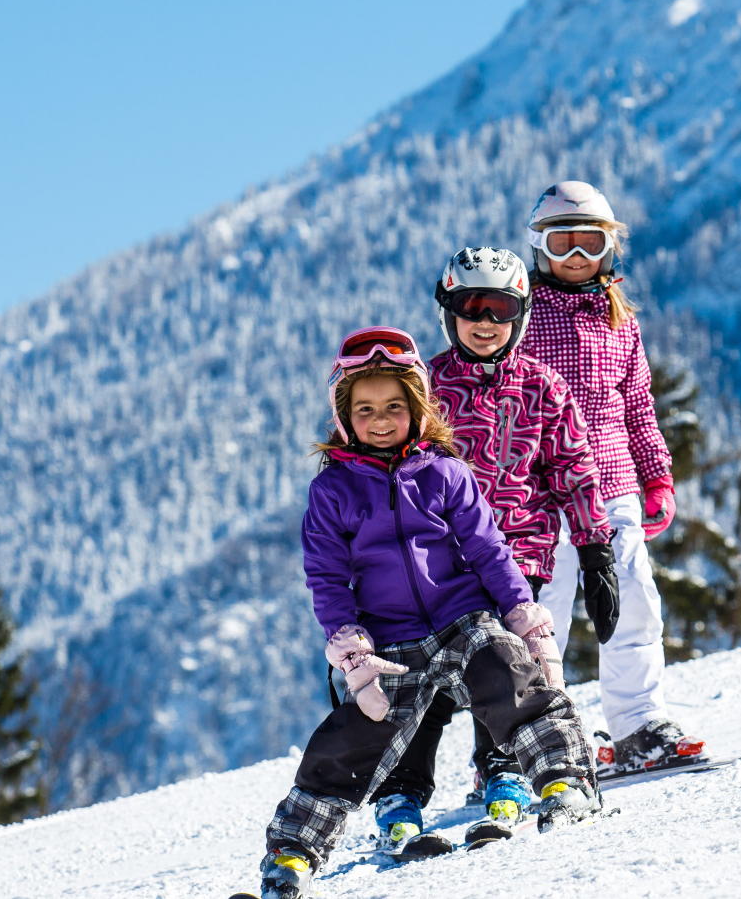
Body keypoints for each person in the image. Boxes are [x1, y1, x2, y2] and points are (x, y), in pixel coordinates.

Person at [255, 326, 599, 899]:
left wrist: (523, 615)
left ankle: (563, 781)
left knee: (506, 671)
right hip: (387, 639)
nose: (382, 419)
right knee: (357, 730)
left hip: (462, 614)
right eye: (365, 409)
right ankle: (294, 852)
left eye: (395, 406)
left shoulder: (445, 473)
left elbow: (489, 549)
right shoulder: (333, 491)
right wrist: (354, 655)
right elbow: (327, 577)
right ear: (344, 417)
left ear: (418, 408)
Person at [366, 248, 623, 842]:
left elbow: (574, 471)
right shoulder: (423, 390)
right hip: (433, 566)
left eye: (501, 309)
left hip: (517, 557)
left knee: (506, 663)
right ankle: (400, 793)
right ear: (447, 311)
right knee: (419, 678)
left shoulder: (542, 388)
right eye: (470, 308)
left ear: (522, 314)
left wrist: (595, 550)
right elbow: (380, 468)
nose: (485, 322)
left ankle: (503, 772)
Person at [521, 182, 702, 771]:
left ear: (610, 247)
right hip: (538, 494)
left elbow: (638, 404)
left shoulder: (618, 318)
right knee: (536, 613)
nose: (576, 256)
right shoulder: (519, 317)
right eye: (562, 242)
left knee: (633, 604)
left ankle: (637, 724)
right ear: (538, 247)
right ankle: (525, 741)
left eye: (590, 243)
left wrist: (656, 477)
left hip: (612, 485)